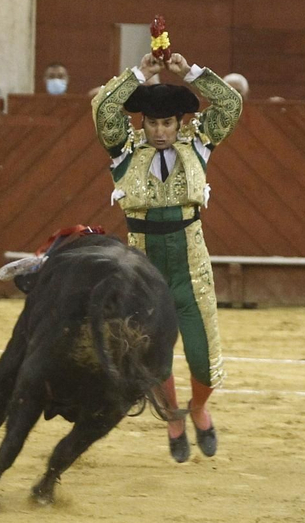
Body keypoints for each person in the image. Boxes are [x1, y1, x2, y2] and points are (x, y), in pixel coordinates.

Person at [90, 48, 243, 461]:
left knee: (204, 361)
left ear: (180, 122)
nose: (160, 131)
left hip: (191, 268)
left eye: (168, 123)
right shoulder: (125, 151)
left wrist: (190, 72)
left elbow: (231, 103)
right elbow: (104, 109)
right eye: (153, 123)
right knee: (153, 357)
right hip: (143, 272)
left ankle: (198, 410)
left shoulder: (200, 146)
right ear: (144, 124)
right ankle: (175, 419)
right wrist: (139, 73)